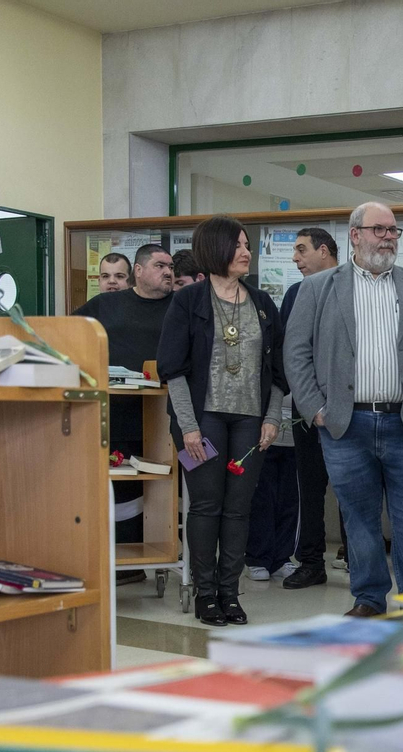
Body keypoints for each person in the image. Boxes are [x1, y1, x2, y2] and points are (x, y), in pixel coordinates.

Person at [283, 202, 403, 617]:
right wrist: (316, 410)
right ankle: (369, 598)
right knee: (358, 520)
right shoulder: (317, 288)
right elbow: (296, 354)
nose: (389, 237)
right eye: (380, 229)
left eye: (394, 231)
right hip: (345, 423)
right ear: (355, 234)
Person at [157, 216, 285, 626]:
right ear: (215, 249)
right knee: (206, 505)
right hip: (200, 420)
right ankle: (205, 594)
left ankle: (231, 594)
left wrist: (272, 417)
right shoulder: (189, 300)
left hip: (251, 420)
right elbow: (172, 368)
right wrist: (188, 426)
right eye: (239, 245)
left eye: (248, 245)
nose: (246, 252)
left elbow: (277, 372)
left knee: (239, 508)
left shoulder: (263, 304)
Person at [75, 243, 176, 569]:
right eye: (160, 266)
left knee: (157, 485)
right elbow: (69, 335)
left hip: (164, 420)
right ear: (140, 270)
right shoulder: (106, 304)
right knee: (117, 483)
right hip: (114, 415)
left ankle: (154, 559)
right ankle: (114, 564)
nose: (168, 272)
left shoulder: (180, 307)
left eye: (170, 266)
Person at [275, 226, 341, 590]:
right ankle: (311, 561)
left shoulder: (351, 288)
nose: (296, 258)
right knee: (310, 489)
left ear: (325, 251)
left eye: (302, 250)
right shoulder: (295, 294)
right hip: (306, 409)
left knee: (353, 489)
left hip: (349, 407)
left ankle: (359, 559)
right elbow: (292, 351)